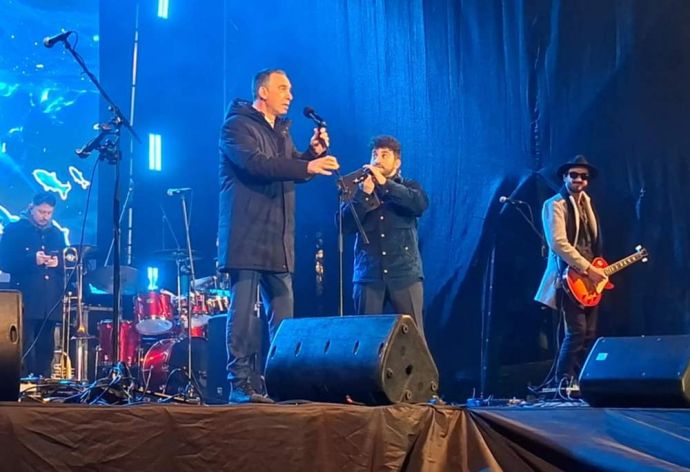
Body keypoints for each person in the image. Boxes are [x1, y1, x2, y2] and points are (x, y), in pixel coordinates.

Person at [217, 68, 339, 403]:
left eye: (291, 89)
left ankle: (282, 381)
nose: (290, 95)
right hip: (246, 234)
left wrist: (310, 154)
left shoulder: (281, 131)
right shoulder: (236, 126)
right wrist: (307, 166)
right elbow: (258, 165)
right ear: (263, 92)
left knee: (284, 314)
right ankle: (240, 384)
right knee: (243, 314)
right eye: (283, 88)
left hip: (277, 235)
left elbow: (288, 168)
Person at [340, 135, 428, 336]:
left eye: (384, 155)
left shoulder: (409, 186)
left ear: (397, 163)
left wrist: (384, 184)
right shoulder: (357, 189)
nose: (377, 160)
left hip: (405, 274)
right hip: (368, 275)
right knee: (365, 339)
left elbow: (419, 205)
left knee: (413, 338)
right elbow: (343, 226)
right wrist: (363, 195)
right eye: (374, 155)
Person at [535, 154, 607, 387]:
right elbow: (558, 243)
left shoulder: (588, 203)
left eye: (583, 176)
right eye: (574, 175)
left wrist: (595, 270)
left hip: (590, 278)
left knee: (590, 332)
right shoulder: (555, 204)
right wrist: (587, 268)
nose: (579, 180)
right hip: (568, 276)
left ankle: (582, 381)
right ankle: (563, 381)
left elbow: (593, 241)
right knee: (576, 331)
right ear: (565, 177)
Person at [0, 191, 65, 378]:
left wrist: (58, 263)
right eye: (41, 212)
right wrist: (32, 260)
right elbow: (5, 262)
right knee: (24, 347)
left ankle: (44, 383)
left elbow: (67, 263)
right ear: (32, 208)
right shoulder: (15, 230)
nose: (45, 217)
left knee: (46, 348)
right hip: (25, 300)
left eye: (49, 213)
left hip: (50, 301)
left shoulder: (57, 234)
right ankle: (22, 383)